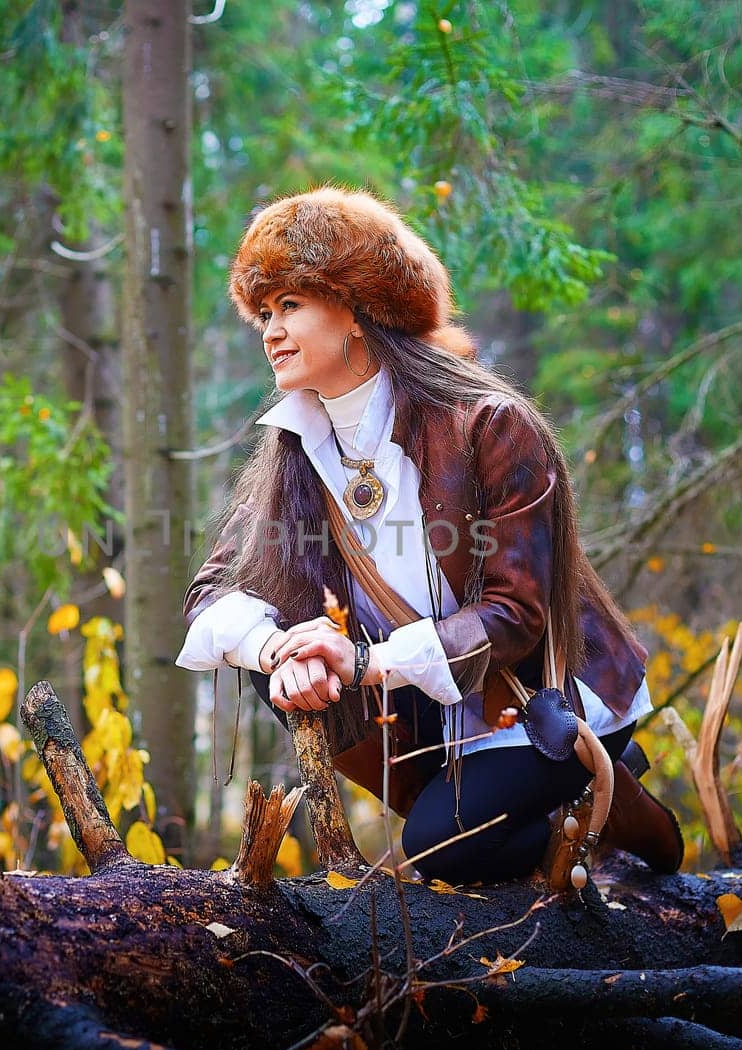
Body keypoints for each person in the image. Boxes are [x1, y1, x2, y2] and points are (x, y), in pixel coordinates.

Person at [176, 186, 682, 884]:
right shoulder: (294, 446)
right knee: (277, 666)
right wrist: (278, 650)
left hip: (538, 696)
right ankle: (476, 812)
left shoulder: (488, 424)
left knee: (443, 849)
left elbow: (516, 616)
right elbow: (212, 593)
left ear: (354, 308)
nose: (269, 329)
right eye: (262, 312)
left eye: (290, 304)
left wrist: (360, 661)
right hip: (422, 698)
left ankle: (613, 797)